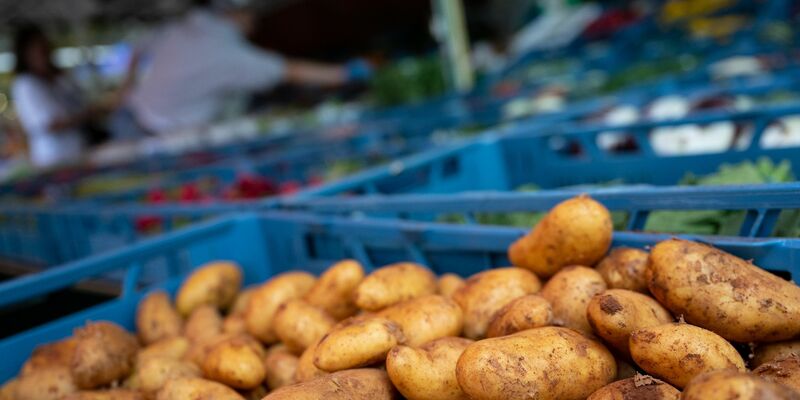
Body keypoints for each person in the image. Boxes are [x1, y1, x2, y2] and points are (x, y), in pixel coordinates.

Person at [120, 1, 370, 137]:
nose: (254, 19)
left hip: (128, 114)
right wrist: (345, 73)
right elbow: (290, 71)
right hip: (155, 135)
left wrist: (126, 87)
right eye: (250, 12)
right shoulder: (226, 53)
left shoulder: (189, 25)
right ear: (236, 12)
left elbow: (138, 48)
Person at [11, 25, 112, 168]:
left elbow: (80, 101)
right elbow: (50, 124)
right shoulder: (26, 84)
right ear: (26, 54)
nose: (45, 55)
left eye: (46, 49)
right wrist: (87, 115)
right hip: (54, 158)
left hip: (79, 150)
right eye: (40, 50)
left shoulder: (58, 78)